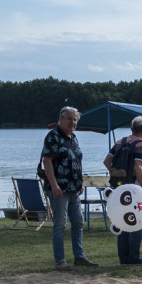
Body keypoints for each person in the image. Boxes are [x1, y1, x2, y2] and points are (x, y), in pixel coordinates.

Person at [40, 106, 97, 271]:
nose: (72, 122)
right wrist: (54, 185)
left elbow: (76, 161)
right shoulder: (53, 137)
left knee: (78, 222)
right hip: (59, 189)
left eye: (75, 120)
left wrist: (80, 183)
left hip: (74, 189)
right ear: (61, 119)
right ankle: (60, 260)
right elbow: (47, 162)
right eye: (69, 119)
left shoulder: (74, 138)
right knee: (59, 224)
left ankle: (79, 257)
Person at [103, 115, 142, 266]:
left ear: (132, 129)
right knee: (137, 221)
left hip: (119, 189)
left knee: (122, 220)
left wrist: (116, 173)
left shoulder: (120, 142)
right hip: (135, 189)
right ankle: (134, 256)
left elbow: (106, 162)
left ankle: (123, 258)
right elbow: (138, 167)